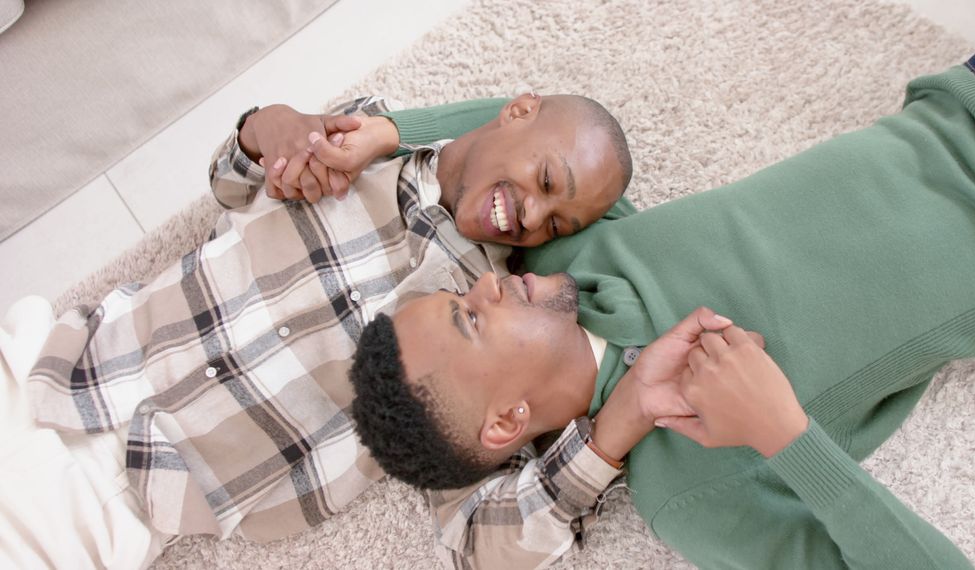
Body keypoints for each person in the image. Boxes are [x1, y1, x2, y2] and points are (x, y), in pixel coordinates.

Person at [349, 1, 975, 567]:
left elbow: (532, 131)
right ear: (506, 420)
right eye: (468, 320)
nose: (482, 287)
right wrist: (782, 431)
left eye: (458, 296)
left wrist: (390, 130)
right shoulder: (689, 490)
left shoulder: (562, 256)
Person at [8, 93, 631, 568]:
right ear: (517, 110)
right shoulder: (359, 139)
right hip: (57, 360)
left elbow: (477, 535)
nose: (533, 215)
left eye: (556, 226)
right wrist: (262, 125)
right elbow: (232, 187)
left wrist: (603, 448)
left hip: (128, 498)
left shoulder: (493, 341)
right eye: (547, 182)